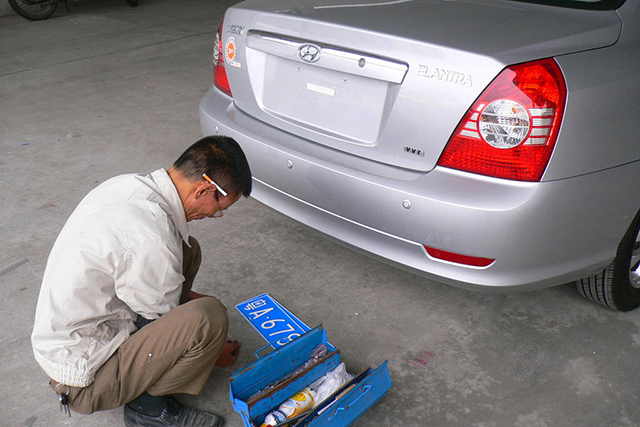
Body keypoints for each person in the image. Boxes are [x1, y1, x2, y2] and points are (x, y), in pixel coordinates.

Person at [31, 136, 253, 427]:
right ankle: (147, 410)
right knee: (208, 318)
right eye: (220, 208)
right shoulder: (151, 238)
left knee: (188, 250)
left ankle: (174, 326)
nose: (215, 215)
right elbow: (169, 316)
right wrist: (211, 353)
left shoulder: (128, 186)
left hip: (71, 337)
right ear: (204, 190)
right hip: (85, 378)